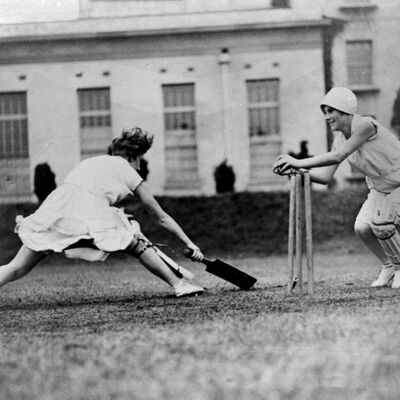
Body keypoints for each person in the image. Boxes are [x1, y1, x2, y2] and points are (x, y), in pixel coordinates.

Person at [0, 127, 204, 297]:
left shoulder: (91, 162)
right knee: (138, 245)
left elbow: (91, 195)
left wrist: (122, 224)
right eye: (139, 159)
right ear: (132, 156)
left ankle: (178, 284)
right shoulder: (127, 170)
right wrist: (189, 243)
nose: (140, 164)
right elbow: (161, 217)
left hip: (56, 208)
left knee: (18, 267)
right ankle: (180, 286)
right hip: (84, 209)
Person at [273, 86, 400, 289]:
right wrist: (294, 171)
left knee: (382, 223)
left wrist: (297, 161)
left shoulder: (366, 125)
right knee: (362, 227)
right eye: (325, 112)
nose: (326, 117)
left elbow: (337, 156)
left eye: (330, 111)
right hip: (380, 186)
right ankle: (388, 266)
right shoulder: (340, 138)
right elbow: (324, 177)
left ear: (345, 110)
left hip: (399, 182)